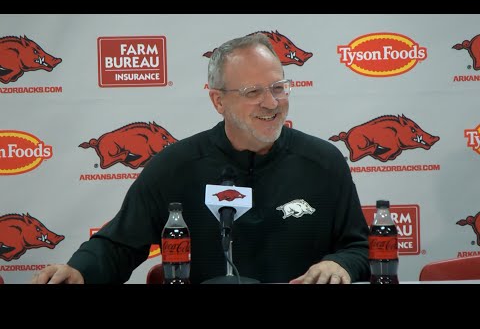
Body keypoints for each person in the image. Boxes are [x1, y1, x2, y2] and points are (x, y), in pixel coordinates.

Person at [32, 33, 370, 284]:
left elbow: (360, 248)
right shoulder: (175, 166)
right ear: (218, 101)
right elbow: (119, 244)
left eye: (278, 87)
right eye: (253, 92)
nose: (272, 103)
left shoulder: (324, 162)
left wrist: (341, 265)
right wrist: (79, 270)